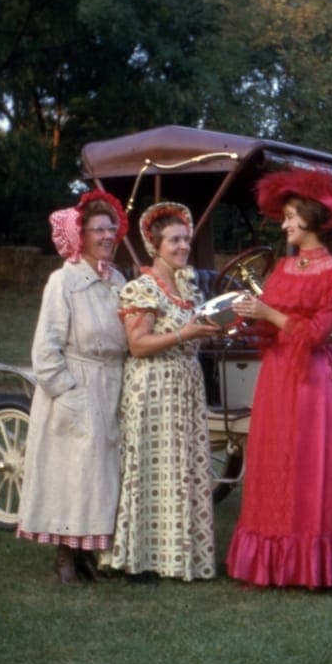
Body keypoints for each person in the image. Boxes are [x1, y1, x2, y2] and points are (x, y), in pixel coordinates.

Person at [226, 169, 332, 589]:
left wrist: (268, 313)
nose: (285, 225)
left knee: (307, 467)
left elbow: (315, 335)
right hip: (276, 374)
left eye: (291, 217)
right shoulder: (285, 267)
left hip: (309, 379)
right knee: (272, 463)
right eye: (286, 217)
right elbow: (270, 329)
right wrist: (246, 315)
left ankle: (309, 564)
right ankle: (271, 562)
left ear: (310, 218)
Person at [17, 189, 129, 585]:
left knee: (100, 475)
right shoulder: (63, 281)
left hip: (110, 382)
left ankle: (86, 554)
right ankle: (64, 555)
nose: (106, 236)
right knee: (72, 472)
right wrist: (68, 392)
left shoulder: (118, 280)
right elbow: (45, 349)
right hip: (76, 386)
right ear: (80, 236)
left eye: (111, 228)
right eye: (98, 229)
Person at [110, 202, 221, 582]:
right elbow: (138, 345)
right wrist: (183, 334)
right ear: (154, 246)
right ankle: (139, 559)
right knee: (152, 471)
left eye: (186, 239)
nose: (183, 246)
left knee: (182, 470)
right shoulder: (141, 288)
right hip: (153, 387)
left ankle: (179, 558)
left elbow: (192, 335)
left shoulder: (187, 286)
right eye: (174, 240)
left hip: (186, 384)